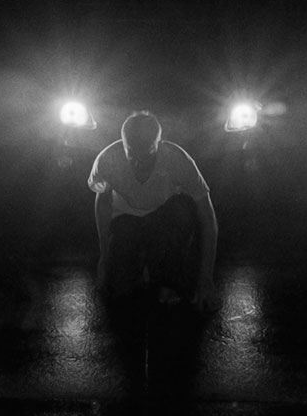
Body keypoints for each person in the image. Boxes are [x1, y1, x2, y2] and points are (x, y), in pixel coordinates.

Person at [89, 111, 218, 310]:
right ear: (123, 143)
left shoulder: (177, 159)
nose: (139, 160)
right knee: (119, 290)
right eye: (132, 151)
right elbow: (103, 202)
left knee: (183, 210)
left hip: (162, 220)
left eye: (146, 150)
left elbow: (207, 215)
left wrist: (206, 278)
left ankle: (168, 275)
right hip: (125, 220)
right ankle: (138, 264)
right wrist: (104, 257)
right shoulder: (108, 159)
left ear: (159, 142)